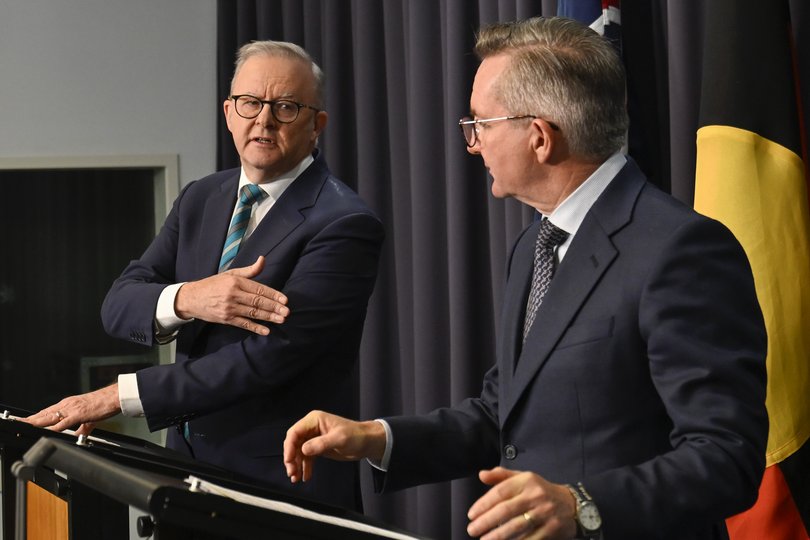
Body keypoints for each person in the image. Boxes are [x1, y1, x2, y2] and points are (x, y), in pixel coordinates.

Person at [283, 17, 768, 539]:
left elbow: (726, 457)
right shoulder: (533, 245)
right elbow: (503, 416)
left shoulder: (680, 249)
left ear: (538, 136)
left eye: (480, 124)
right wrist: (376, 438)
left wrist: (581, 506)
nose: (472, 144)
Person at [24, 40, 384, 511]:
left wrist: (118, 396)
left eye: (287, 107)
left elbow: (269, 359)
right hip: (184, 477)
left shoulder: (344, 222)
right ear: (229, 111)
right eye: (250, 103)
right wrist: (188, 298)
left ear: (317, 124)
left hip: (280, 486)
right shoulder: (201, 197)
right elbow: (118, 304)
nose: (264, 120)